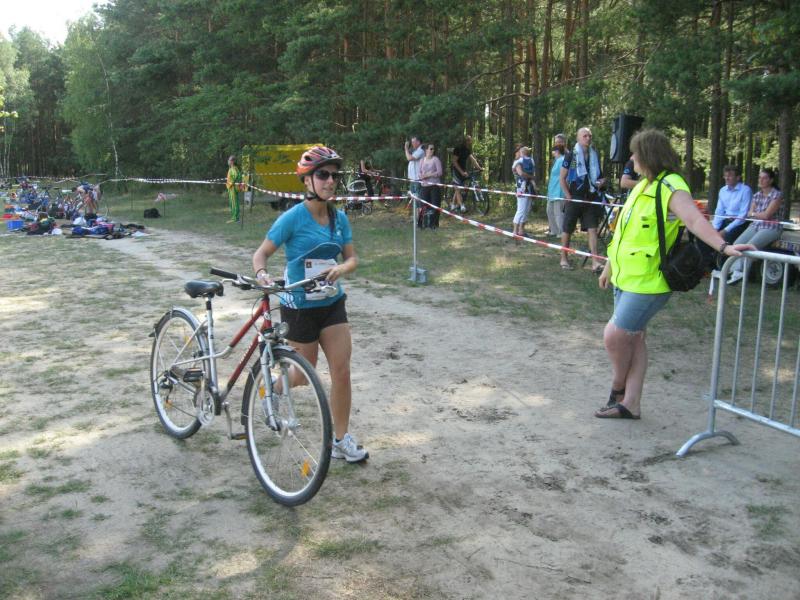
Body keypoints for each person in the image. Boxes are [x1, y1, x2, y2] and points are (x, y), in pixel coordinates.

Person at [595, 129, 753, 420]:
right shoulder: (643, 186)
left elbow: (694, 220)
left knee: (614, 336)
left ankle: (618, 387)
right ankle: (631, 404)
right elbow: (623, 233)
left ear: (648, 155)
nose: (631, 158)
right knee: (635, 339)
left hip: (650, 281)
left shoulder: (672, 185)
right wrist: (609, 266)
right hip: (626, 277)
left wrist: (723, 246)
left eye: (635, 153)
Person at [252, 146, 368, 463]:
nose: (330, 181)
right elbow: (260, 254)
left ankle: (340, 440)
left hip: (331, 304)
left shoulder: (339, 218)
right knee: (303, 375)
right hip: (300, 306)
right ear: (307, 180)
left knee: (341, 371)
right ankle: (273, 389)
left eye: (334, 176)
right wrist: (262, 275)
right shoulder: (292, 218)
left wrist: (341, 268)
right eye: (323, 175)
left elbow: (352, 258)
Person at [559, 127, 606, 272]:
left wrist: (602, 182)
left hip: (591, 197)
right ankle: (563, 259)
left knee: (593, 229)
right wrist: (568, 196)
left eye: (589, 136)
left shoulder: (594, 155)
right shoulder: (571, 156)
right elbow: (562, 178)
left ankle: (595, 262)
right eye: (585, 136)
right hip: (575, 197)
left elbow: (599, 176)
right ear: (578, 138)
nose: (588, 138)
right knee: (568, 229)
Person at [727, 168, 784, 285]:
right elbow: (750, 213)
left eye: (764, 178)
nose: (761, 180)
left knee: (750, 246)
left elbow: (767, 215)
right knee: (737, 243)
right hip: (756, 224)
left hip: (771, 227)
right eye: (759, 177)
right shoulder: (757, 195)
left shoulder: (776, 195)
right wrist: (756, 214)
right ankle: (734, 271)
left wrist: (754, 214)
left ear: (771, 180)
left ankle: (740, 273)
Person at [450, 135, 483, 213]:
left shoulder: (467, 150)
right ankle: (462, 206)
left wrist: (479, 168)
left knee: (458, 188)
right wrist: (461, 172)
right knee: (458, 188)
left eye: (470, 140)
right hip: (456, 170)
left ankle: (453, 204)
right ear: (465, 141)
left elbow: (473, 159)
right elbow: (454, 162)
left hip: (463, 170)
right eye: (469, 140)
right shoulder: (458, 149)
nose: (470, 142)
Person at [512, 146, 536, 238]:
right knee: (521, 210)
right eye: (519, 151)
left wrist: (533, 184)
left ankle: (521, 230)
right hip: (521, 188)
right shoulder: (517, 163)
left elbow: (531, 173)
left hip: (529, 188)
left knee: (527, 209)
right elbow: (521, 173)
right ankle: (515, 231)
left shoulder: (529, 161)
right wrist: (531, 177)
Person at [546, 134, 567, 237]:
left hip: (559, 191)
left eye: (558, 142)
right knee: (549, 211)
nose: (552, 152)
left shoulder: (565, 158)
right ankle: (553, 230)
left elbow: (567, 175)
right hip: (552, 191)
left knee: (558, 212)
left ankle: (561, 232)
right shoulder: (556, 160)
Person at [418, 143, 443, 229]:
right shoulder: (422, 160)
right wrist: (422, 176)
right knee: (423, 206)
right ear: (426, 150)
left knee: (435, 205)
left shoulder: (436, 159)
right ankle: (421, 224)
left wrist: (430, 174)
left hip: (434, 186)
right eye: (431, 149)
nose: (432, 150)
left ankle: (433, 224)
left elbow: (440, 172)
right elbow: (419, 173)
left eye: (433, 149)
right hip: (424, 186)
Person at [226, 155, 243, 223]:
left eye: (229, 160)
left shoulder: (233, 168)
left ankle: (235, 218)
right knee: (234, 202)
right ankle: (235, 217)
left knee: (234, 203)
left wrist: (231, 183)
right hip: (232, 188)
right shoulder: (233, 168)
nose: (228, 161)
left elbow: (236, 176)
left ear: (232, 161)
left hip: (232, 188)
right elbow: (238, 176)